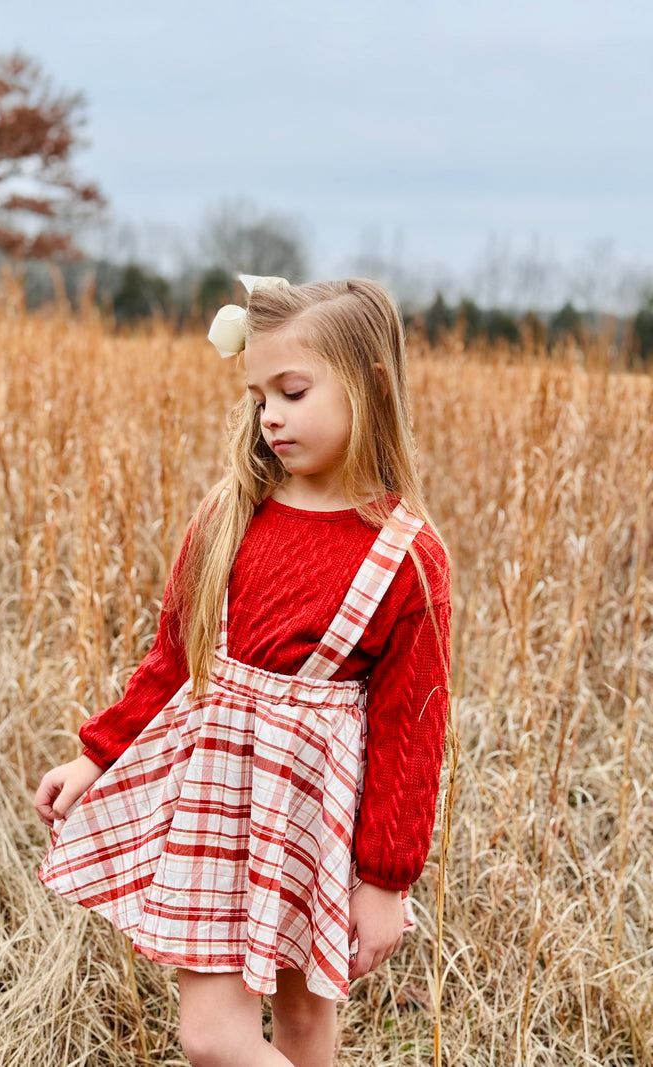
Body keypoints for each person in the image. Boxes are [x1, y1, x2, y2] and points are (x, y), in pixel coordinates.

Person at [34, 276, 451, 1067]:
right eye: (258, 394)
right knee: (212, 1036)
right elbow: (170, 659)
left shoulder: (408, 557)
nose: (270, 415)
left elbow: (411, 732)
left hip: (314, 816)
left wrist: (386, 880)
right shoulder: (232, 514)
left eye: (292, 390)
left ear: (371, 385)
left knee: (302, 1032)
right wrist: (96, 754)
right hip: (219, 801)